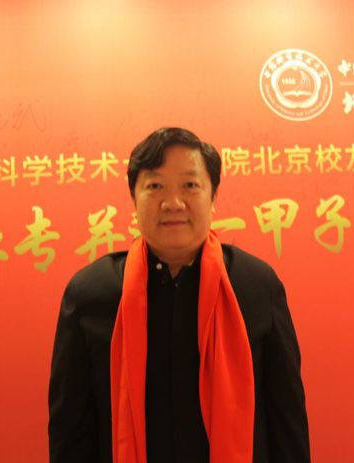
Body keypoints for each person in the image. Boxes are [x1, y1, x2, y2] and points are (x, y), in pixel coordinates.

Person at [48, 127, 310, 463]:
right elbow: (70, 431)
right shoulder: (90, 295)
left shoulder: (257, 286)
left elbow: (286, 421)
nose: (173, 203)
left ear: (213, 197)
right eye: (155, 186)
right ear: (134, 199)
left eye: (190, 185)